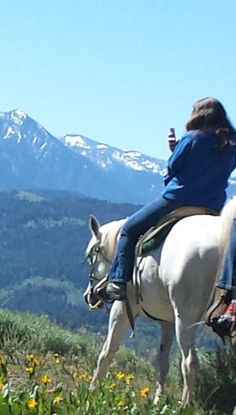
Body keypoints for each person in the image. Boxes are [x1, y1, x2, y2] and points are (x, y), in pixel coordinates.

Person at [98, 97, 236, 302]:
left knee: (129, 229)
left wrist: (175, 149)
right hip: (213, 207)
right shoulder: (231, 145)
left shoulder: (192, 139)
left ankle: (117, 282)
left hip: (177, 200)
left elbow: (174, 167)